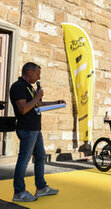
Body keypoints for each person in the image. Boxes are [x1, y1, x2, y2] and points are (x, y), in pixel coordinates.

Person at [10, 62, 65, 202]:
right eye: (37, 73)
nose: (39, 76)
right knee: (24, 160)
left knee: (40, 156)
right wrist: (36, 97)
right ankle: (19, 192)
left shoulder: (29, 87)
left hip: (35, 129)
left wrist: (56, 102)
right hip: (27, 129)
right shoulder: (18, 87)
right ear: (29, 72)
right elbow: (23, 109)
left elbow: (38, 105)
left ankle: (41, 188)